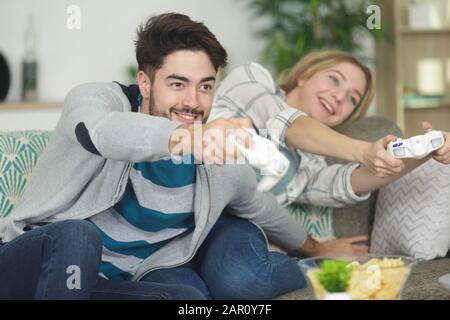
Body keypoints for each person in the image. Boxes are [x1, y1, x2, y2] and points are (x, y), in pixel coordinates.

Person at [0, 14, 372, 301]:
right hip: (38, 259)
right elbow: (101, 133)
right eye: (177, 84)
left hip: (121, 281)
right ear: (146, 83)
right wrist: (189, 138)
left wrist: (318, 249)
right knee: (76, 236)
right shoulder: (99, 100)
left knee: (188, 298)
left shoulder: (217, 159)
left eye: (205, 86)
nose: (193, 102)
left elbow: (262, 208)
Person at [209, 50, 450, 226]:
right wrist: (365, 151)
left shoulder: (309, 166)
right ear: (304, 75)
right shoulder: (251, 78)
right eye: (334, 79)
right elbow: (287, 124)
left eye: (352, 99)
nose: (338, 97)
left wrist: (424, 152)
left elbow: (348, 183)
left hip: (231, 233)